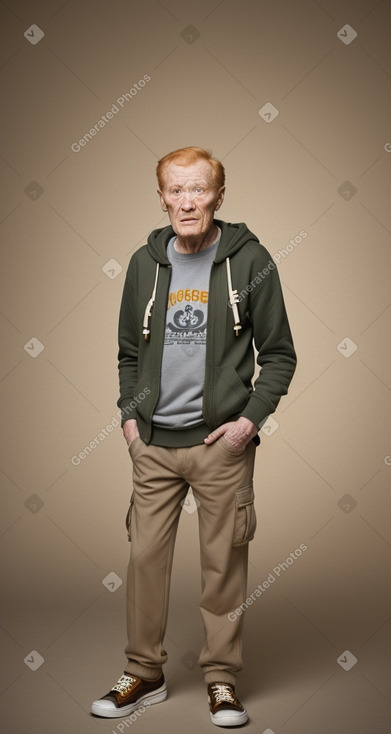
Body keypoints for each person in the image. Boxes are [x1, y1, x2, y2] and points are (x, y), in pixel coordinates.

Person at [91, 146, 297, 726]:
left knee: (223, 565)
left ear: (219, 196)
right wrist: (132, 422)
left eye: (199, 190)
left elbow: (279, 355)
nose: (187, 201)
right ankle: (144, 672)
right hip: (154, 445)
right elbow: (129, 353)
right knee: (144, 561)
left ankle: (223, 681)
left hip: (221, 448)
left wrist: (248, 422)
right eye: (176, 190)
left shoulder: (250, 260)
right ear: (161, 196)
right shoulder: (143, 263)